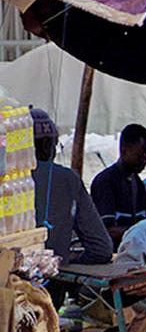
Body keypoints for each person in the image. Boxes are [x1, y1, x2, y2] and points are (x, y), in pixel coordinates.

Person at [32, 109, 113, 266]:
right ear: (50, 145)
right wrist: (68, 258)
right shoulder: (67, 179)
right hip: (52, 282)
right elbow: (101, 249)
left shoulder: (8, 178)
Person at [90, 123, 146, 245]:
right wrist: (140, 231)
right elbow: (106, 231)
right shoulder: (105, 182)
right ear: (124, 150)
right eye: (140, 155)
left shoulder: (136, 182)